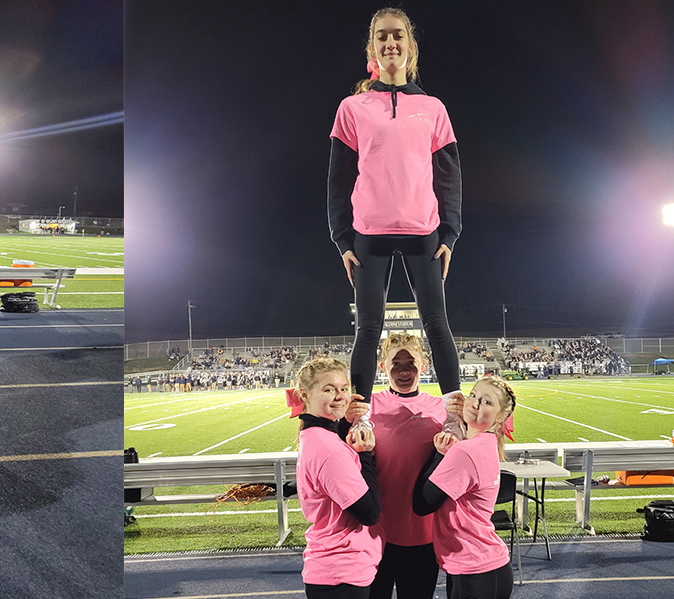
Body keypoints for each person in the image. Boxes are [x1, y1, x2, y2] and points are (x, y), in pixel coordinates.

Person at [327, 7, 463, 408]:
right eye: (382, 36)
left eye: (398, 36)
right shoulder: (352, 108)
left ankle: (455, 415)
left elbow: (449, 177)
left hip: (424, 232)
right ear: (372, 47)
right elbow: (338, 179)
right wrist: (342, 238)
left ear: (410, 46)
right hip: (369, 234)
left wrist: (450, 234)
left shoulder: (433, 108)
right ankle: (360, 418)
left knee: (437, 325)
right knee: (367, 331)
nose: (391, 43)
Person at [339, 333, 454, 599]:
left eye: (411, 363)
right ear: (382, 367)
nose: (404, 371)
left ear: (423, 365)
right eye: (396, 364)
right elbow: (341, 455)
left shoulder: (441, 410)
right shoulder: (366, 409)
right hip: (374, 534)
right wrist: (345, 422)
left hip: (422, 534)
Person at [413, 377, 516, 598]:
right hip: (486, 568)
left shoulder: (465, 451)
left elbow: (422, 503)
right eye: (473, 395)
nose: (475, 403)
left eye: (487, 402)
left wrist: (439, 455)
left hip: (475, 570)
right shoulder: (486, 445)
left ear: (500, 418)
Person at [288, 357, 380, 598]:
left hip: (334, 568)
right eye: (328, 389)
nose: (340, 396)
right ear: (305, 395)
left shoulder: (315, 435)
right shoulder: (328, 448)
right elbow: (369, 513)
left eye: (344, 389)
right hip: (341, 571)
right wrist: (367, 456)